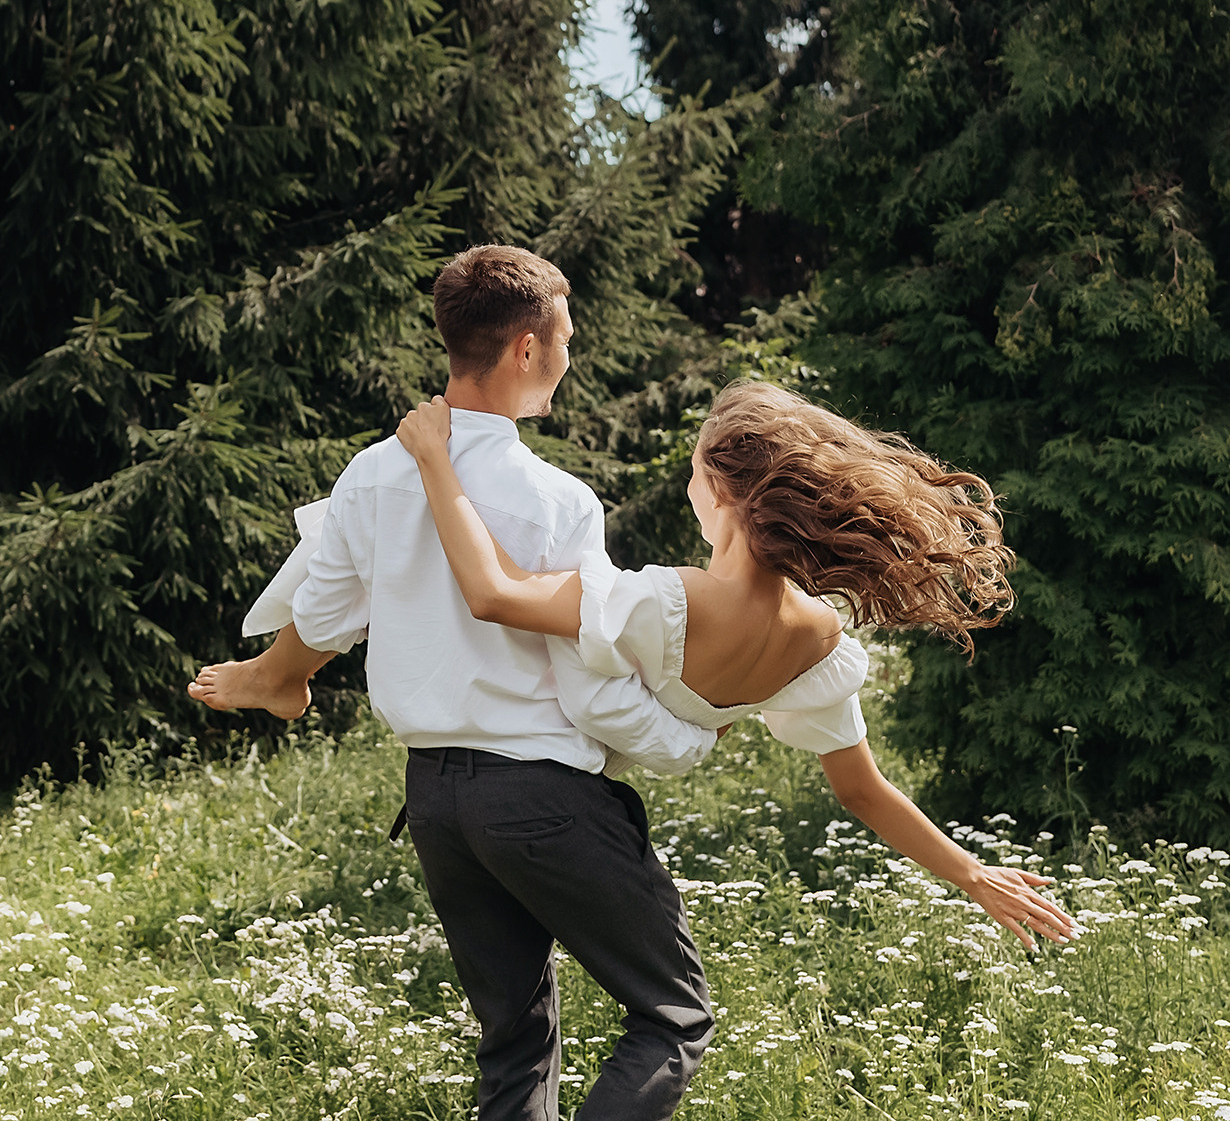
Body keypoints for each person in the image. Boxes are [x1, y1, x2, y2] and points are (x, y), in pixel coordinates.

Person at [190, 245, 718, 1121]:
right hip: (540, 794)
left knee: (514, 1043)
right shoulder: (559, 501)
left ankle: (267, 682)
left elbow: (324, 611)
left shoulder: (372, 472)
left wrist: (277, 675)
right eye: (566, 340)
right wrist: (687, 730)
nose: (569, 359)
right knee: (674, 1014)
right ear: (525, 348)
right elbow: (587, 671)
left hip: (435, 799)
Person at [392, 380, 1075, 956]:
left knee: (649, 1024)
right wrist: (972, 875)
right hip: (573, 812)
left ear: (719, 489)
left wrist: (434, 461)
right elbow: (862, 791)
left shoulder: (666, 599)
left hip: (523, 793)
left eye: (693, 473)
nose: (691, 488)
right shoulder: (821, 641)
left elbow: (495, 593)